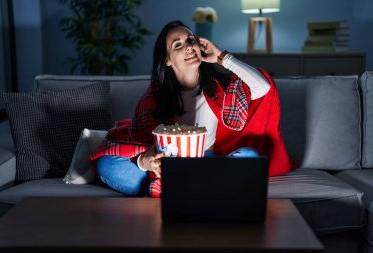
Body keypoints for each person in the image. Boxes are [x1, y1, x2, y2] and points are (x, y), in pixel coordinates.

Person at [90, 20, 291, 197]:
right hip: (168, 166)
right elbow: (145, 142)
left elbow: (263, 87)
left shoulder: (221, 88)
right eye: (178, 45)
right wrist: (145, 162)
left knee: (249, 157)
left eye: (190, 40)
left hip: (208, 163)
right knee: (106, 165)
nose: (188, 47)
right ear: (167, 60)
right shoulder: (154, 97)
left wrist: (222, 56)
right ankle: (202, 193)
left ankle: (180, 193)